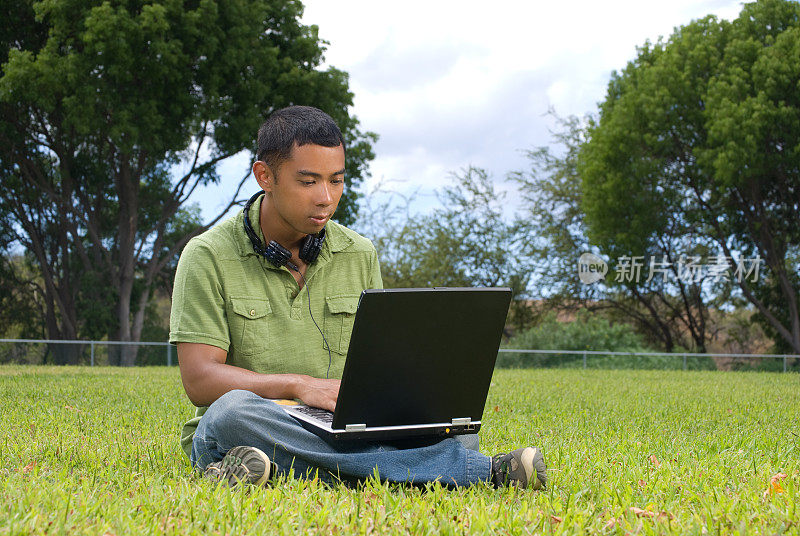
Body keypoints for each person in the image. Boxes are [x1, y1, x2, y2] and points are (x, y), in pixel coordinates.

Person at [169, 105, 547, 490]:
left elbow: (382, 364)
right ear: (265, 175)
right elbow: (201, 381)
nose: (326, 198)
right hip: (264, 418)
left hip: (346, 426)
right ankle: (472, 471)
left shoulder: (360, 252)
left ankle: (269, 468)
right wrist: (300, 386)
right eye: (308, 181)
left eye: (336, 180)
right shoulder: (207, 255)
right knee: (230, 415)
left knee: (455, 430)